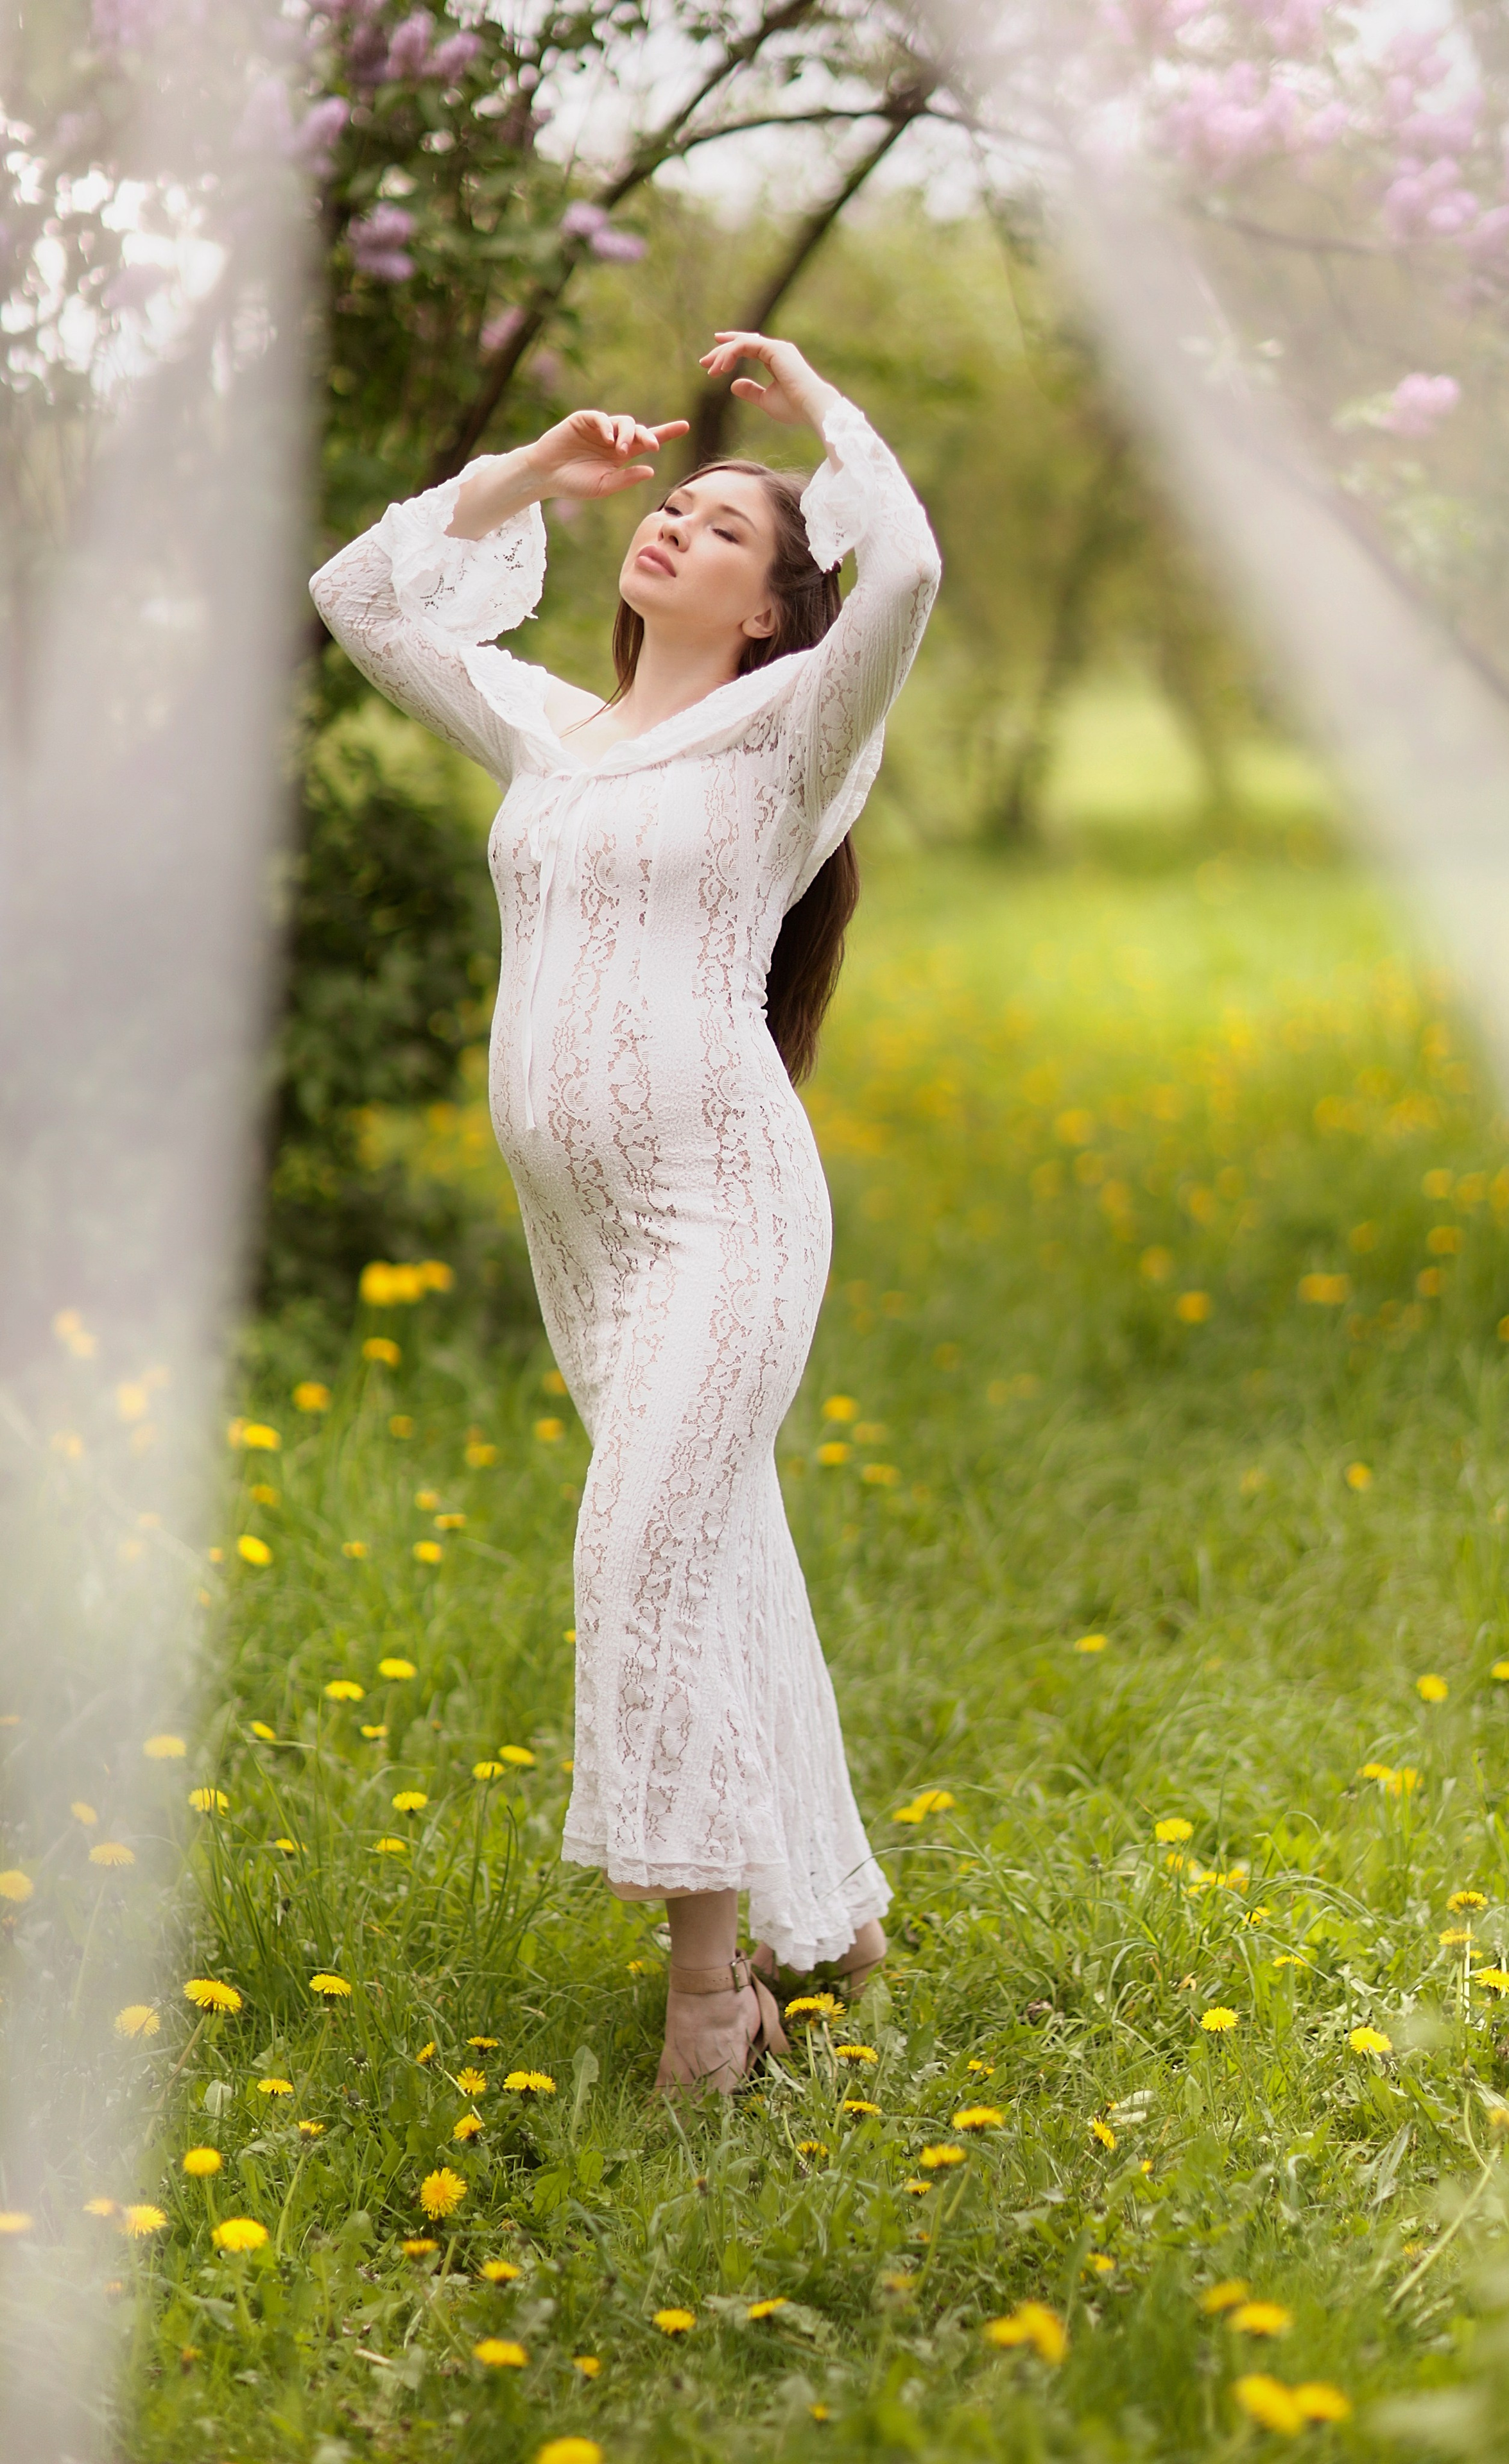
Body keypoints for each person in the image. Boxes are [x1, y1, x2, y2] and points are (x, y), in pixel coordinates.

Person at [311, 331, 941, 2092]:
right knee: (712, 1549)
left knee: (639, 1550)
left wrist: (815, 405)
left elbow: (914, 567)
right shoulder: (552, 734)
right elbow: (361, 601)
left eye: (724, 530)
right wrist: (524, 474)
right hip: (584, 1242)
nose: (673, 526)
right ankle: (842, 1920)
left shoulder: (797, 734)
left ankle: (708, 2000)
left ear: (767, 611)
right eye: (669, 508)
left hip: (721, 1211)